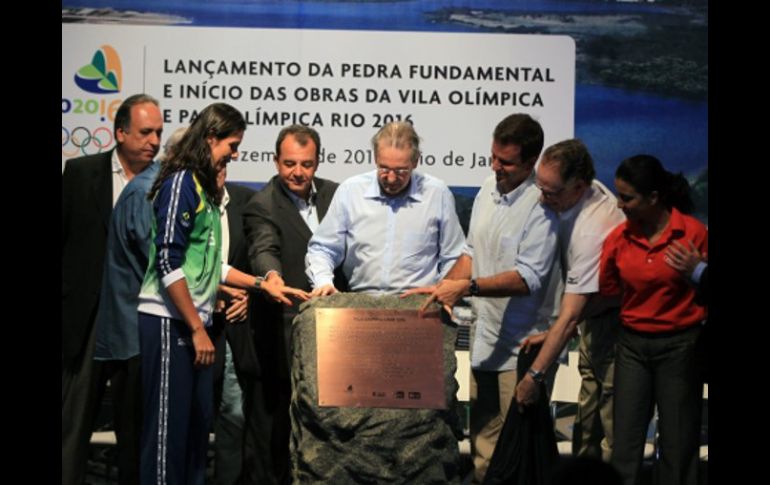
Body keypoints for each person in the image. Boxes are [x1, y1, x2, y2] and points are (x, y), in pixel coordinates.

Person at [136, 102, 308, 484]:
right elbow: (169, 263)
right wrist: (197, 328)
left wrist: (264, 285)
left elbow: (213, 267)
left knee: (197, 434)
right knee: (168, 435)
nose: (236, 153)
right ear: (210, 138)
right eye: (232, 144)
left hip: (194, 322)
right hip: (169, 324)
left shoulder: (206, 191)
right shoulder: (181, 181)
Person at [405, 113, 559, 483]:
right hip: (484, 340)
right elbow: (471, 252)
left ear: (530, 161)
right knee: (482, 445)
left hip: (524, 346)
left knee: (516, 449)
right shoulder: (488, 187)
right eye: (493, 156)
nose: (496, 166)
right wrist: (445, 285)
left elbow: (528, 278)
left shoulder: (542, 206)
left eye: (506, 162)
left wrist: (468, 287)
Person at [62, 93, 163, 485]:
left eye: (158, 131)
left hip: (136, 322)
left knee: (133, 429)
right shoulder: (80, 173)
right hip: (84, 320)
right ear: (120, 132)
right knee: (72, 426)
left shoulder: (164, 183)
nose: (154, 141)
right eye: (144, 132)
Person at [243, 124, 346, 484]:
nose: (298, 172)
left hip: (338, 336)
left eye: (306, 164)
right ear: (275, 161)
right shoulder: (262, 204)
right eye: (289, 164)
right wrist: (270, 278)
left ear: (318, 162)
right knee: (276, 431)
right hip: (282, 333)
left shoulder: (338, 195)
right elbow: (263, 247)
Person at [514, 139, 626, 462]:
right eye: (540, 187)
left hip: (616, 330)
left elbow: (570, 317)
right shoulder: (586, 192)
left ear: (578, 187)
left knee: (612, 426)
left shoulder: (591, 229)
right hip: (596, 322)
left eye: (551, 193)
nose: (542, 199)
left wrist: (534, 377)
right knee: (587, 420)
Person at [600, 154, 707, 485]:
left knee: (678, 442)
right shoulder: (618, 238)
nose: (620, 204)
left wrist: (695, 272)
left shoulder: (692, 233)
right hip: (632, 345)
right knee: (626, 442)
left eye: (627, 197)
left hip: (681, 345)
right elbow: (609, 288)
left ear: (654, 198)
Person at [305, 121, 465, 295]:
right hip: (360, 302)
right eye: (384, 168)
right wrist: (323, 282)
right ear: (375, 157)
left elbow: (454, 256)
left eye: (401, 171)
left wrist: (443, 292)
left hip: (420, 304)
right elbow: (323, 249)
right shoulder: (351, 191)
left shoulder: (437, 194)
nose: (390, 178)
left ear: (416, 161)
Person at [210, 165, 261, 485]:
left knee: (234, 417)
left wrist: (250, 296)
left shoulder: (247, 202)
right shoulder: (176, 205)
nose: (218, 173)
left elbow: (262, 260)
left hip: (232, 331)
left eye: (221, 166)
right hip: (185, 329)